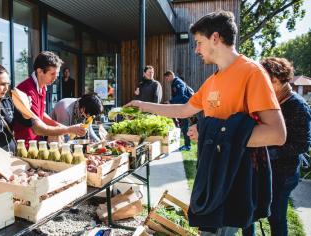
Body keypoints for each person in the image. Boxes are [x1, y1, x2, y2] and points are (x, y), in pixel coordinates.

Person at [126, 11, 286, 235]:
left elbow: (276, 133)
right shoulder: (212, 81)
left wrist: (211, 134)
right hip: (211, 171)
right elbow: (183, 110)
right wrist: (143, 106)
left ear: (215, 38)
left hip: (235, 177)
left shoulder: (252, 72)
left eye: (199, 43)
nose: (196, 50)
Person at [243, 57, 311, 236]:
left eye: (264, 81)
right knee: (249, 211)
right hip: (261, 168)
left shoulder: (297, 105)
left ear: (276, 80)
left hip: (283, 174)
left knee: (276, 217)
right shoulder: (269, 99)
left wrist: (269, 153)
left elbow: (302, 144)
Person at [13, 51, 86, 143]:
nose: (56, 77)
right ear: (39, 71)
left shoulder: (42, 86)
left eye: (57, 73)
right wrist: (68, 129)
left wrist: (59, 126)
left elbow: (40, 113)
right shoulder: (27, 90)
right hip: (24, 143)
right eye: (52, 74)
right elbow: (37, 129)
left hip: (36, 141)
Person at [165, 70, 193, 151]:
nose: (167, 80)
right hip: (182, 107)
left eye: (167, 78)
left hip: (185, 107)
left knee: (185, 126)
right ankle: (187, 144)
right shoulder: (175, 82)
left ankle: (188, 145)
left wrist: (170, 101)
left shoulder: (178, 82)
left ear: (170, 75)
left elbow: (181, 95)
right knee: (184, 126)